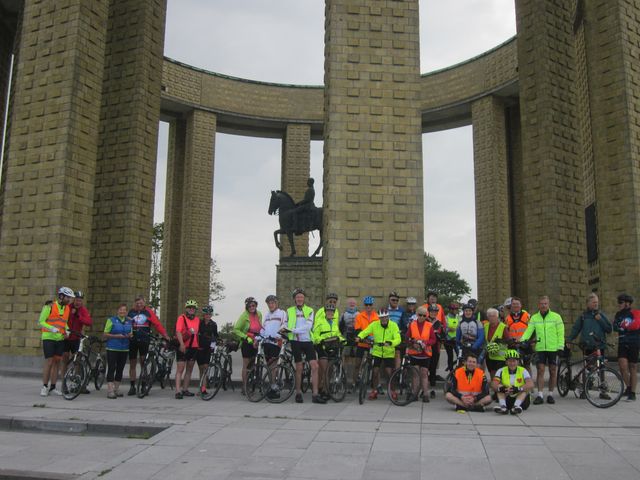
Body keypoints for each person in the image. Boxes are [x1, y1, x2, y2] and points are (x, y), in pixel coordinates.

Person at [283, 288, 326, 403]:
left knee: (315, 366)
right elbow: (285, 324)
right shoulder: (289, 310)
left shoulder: (310, 310)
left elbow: (308, 326)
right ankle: (298, 393)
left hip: (307, 340)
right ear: (294, 299)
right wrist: (284, 330)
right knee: (299, 367)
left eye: (301, 297)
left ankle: (315, 394)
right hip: (295, 341)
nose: (299, 299)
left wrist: (293, 330)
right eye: (297, 297)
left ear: (304, 299)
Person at [519, 296, 564, 405]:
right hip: (540, 348)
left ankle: (550, 394)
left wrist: (561, 346)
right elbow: (528, 331)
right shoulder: (534, 318)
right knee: (540, 370)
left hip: (553, 348)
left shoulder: (556, 317)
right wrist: (522, 340)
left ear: (548, 304)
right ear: (538, 305)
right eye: (541, 304)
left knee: (553, 370)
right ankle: (540, 394)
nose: (543, 306)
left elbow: (561, 332)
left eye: (545, 304)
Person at [127, 295, 168, 396]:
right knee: (132, 363)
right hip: (132, 340)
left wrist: (165, 335)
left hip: (144, 340)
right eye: (137, 303)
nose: (139, 305)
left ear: (144, 303)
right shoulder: (131, 312)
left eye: (141, 303)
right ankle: (132, 386)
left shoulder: (148, 312)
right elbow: (126, 325)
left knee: (143, 363)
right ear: (135, 304)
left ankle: (143, 385)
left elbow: (157, 324)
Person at [39, 287, 75, 396]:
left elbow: (63, 323)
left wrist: (67, 330)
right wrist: (52, 328)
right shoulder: (49, 306)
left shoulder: (67, 308)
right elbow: (41, 321)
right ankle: (44, 386)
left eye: (70, 298)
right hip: (48, 337)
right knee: (49, 361)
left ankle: (53, 387)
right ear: (61, 296)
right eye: (68, 297)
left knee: (57, 363)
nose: (69, 300)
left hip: (60, 338)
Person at [357, 310, 400, 400]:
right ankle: (374, 391)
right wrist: (359, 336)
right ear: (379, 318)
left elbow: (398, 339)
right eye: (381, 318)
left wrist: (391, 342)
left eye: (385, 317)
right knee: (375, 372)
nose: (383, 319)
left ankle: (393, 391)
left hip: (388, 352)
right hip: (377, 351)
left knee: (389, 372)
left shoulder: (393, 325)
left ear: (388, 317)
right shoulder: (374, 324)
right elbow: (366, 331)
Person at [62, 290, 93, 392]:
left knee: (77, 361)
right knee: (65, 360)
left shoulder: (83, 310)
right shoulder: (68, 308)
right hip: (66, 337)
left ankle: (77, 383)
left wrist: (78, 316)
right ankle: (64, 384)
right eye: (76, 300)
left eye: (80, 300)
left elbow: (89, 322)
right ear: (73, 299)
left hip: (76, 338)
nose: (78, 302)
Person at [313, 303, 345, 400]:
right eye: (328, 311)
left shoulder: (334, 324)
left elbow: (338, 335)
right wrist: (320, 340)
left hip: (332, 347)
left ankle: (324, 389)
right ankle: (324, 391)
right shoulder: (320, 322)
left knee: (329, 370)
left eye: (332, 311)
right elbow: (315, 335)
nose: (330, 313)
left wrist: (343, 340)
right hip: (322, 347)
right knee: (325, 369)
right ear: (325, 312)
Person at [405, 306, 436, 402]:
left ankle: (425, 394)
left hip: (425, 353)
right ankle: (415, 394)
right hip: (414, 352)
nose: (422, 317)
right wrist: (412, 343)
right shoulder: (412, 324)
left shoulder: (429, 325)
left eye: (424, 315)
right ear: (416, 315)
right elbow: (407, 337)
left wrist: (425, 343)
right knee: (415, 374)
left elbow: (433, 339)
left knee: (424, 373)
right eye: (420, 315)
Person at [613, 293, 640, 401]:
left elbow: (636, 325)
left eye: (621, 302)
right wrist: (625, 326)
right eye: (618, 302)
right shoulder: (618, 314)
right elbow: (615, 327)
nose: (618, 304)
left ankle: (632, 393)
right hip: (623, 342)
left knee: (632, 366)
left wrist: (624, 325)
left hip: (634, 342)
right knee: (622, 366)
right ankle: (628, 388)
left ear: (627, 303)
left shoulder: (635, 312)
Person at [233, 296, 263, 393]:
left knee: (254, 363)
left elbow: (261, 327)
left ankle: (252, 383)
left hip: (256, 341)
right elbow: (236, 330)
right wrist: (246, 337)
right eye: (249, 306)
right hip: (247, 341)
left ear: (256, 305)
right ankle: (244, 386)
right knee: (246, 364)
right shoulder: (244, 316)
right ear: (247, 307)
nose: (252, 307)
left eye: (253, 305)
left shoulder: (259, 314)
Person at [103, 303, 133, 399]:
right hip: (112, 347)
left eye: (124, 310)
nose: (122, 312)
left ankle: (116, 388)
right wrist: (116, 336)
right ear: (117, 311)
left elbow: (131, 333)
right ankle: (110, 390)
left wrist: (130, 335)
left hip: (124, 348)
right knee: (112, 368)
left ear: (126, 312)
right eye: (120, 310)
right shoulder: (111, 320)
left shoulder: (129, 321)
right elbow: (105, 334)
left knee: (120, 368)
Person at [260, 294, 287, 398]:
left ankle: (274, 389)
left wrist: (277, 336)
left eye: (272, 303)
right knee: (269, 367)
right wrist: (259, 338)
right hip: (266, 343)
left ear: (276, 303)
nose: (271, 305)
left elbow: (284, 325)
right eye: (269, 303)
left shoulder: (282, 313)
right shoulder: (267, 315)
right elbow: (263, 328)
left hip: (276, 342)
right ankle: (272, 386)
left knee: (273, 367)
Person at [491, 350, 534, 414]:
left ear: (518, 362)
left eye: (514, 361)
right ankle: (503, 407)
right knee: (499, 387)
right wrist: (502, 388)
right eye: (510, 361)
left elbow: (531, 384)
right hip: (508, 398)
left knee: (525, 389)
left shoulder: (523, 370)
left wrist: (518, 388)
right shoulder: (501, 371)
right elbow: (493, 384)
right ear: (506, 362)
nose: (512, 363)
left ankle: (516, 406)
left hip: (522, 401)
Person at [175, 299, 200, 399]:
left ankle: (185, 389)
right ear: (186, 309)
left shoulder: (197, 320)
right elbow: (178, 331)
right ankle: (178, 390)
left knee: (189, 369)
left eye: (193, 308)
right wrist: (181, 344)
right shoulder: (182, 318)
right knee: (180, 369)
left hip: (193, 346)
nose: (191, 310)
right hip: (183, 346)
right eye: (189, 308)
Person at [353, 296, 379, 390]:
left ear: (372, 306)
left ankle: (376, 385)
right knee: (357, 364)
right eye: (366, 305)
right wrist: (363, 337)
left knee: (375, 365)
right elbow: (357, 329)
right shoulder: (359, 316)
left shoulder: (377, 316)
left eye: (370, 305)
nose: (368, 306)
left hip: (373, 343)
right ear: (364, 305)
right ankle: (354, 383)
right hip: (362, 342)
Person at [506, 297, 533, 372]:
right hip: (513, 345)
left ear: (521, 305)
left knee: (527, 365)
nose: (515, 305)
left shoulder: (527, 316)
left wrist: (529, 340)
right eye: (513, 304)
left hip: (525, 344)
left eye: (517, 304)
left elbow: (533, 330)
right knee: (515, 366)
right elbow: (506, 332)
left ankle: (529, 382)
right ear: (511, 305)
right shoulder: (507, 318)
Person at [197, 305, 218, 395]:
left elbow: (215, 336)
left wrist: (213, 346)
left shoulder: (213, 324)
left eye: (209, 314)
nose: (208, 315)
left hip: (208, 348)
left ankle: (203, 389)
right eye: (206, 314)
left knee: (205, 368)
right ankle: (200, 387)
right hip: (199, 348)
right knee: (201, 369)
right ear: (203, 314)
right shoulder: (199, 323)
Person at [339, 297, 359, 390]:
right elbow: (340, 327)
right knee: (345, 359)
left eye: (353, 303)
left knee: (356, 361)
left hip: (356, 339)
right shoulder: (344, 314)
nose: (352, 304)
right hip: (346, 338)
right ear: (347, 304)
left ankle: (354, 381)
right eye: (350, 303)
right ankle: (344, 377)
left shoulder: (359, 314)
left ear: (356, 304)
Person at [484, 307, 510, 378]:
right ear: (488, 317)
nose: (492, 318)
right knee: (492, 374)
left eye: (494, 316)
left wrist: (500, 341)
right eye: (490, 316)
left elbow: (508, 340)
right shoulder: (485, 326)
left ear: (497, 316)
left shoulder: (503, 327)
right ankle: (494, 388)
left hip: (500, 357)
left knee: (500, 376)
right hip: (490, 356)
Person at [427, 304, 445, 399]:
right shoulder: (425, 321)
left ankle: (432, 389)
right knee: (425, 370)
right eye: (431, 311)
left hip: (435, 348)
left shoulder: (439, 323)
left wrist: (439, 336)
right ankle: (424, 389)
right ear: (428, 312)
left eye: (435, 312)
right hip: (426, 348)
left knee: (433, 369)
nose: (433, 313)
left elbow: (443, 337)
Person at [385, 291, 405, 369]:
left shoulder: (402, 310)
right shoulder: (385, 310)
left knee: (397, 354)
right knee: (387, 357)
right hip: (387, 336)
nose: (395, 302)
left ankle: (396, 375)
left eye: (397, 300)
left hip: (397, 336)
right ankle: (389, 378)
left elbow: (403, 323)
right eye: (393, 300)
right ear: (389, 300)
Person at [444, 303, 460, 372]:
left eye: (456, 309)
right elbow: (443, 329)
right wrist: (448, 329)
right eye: (454, 309)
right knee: (450, 356)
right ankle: (451, 371)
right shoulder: (446, 317)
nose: (456, 310)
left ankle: (459, 370)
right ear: (450, 310)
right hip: (448, 340)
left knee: (459, 356)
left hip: (456, 340)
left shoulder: (458, 317)